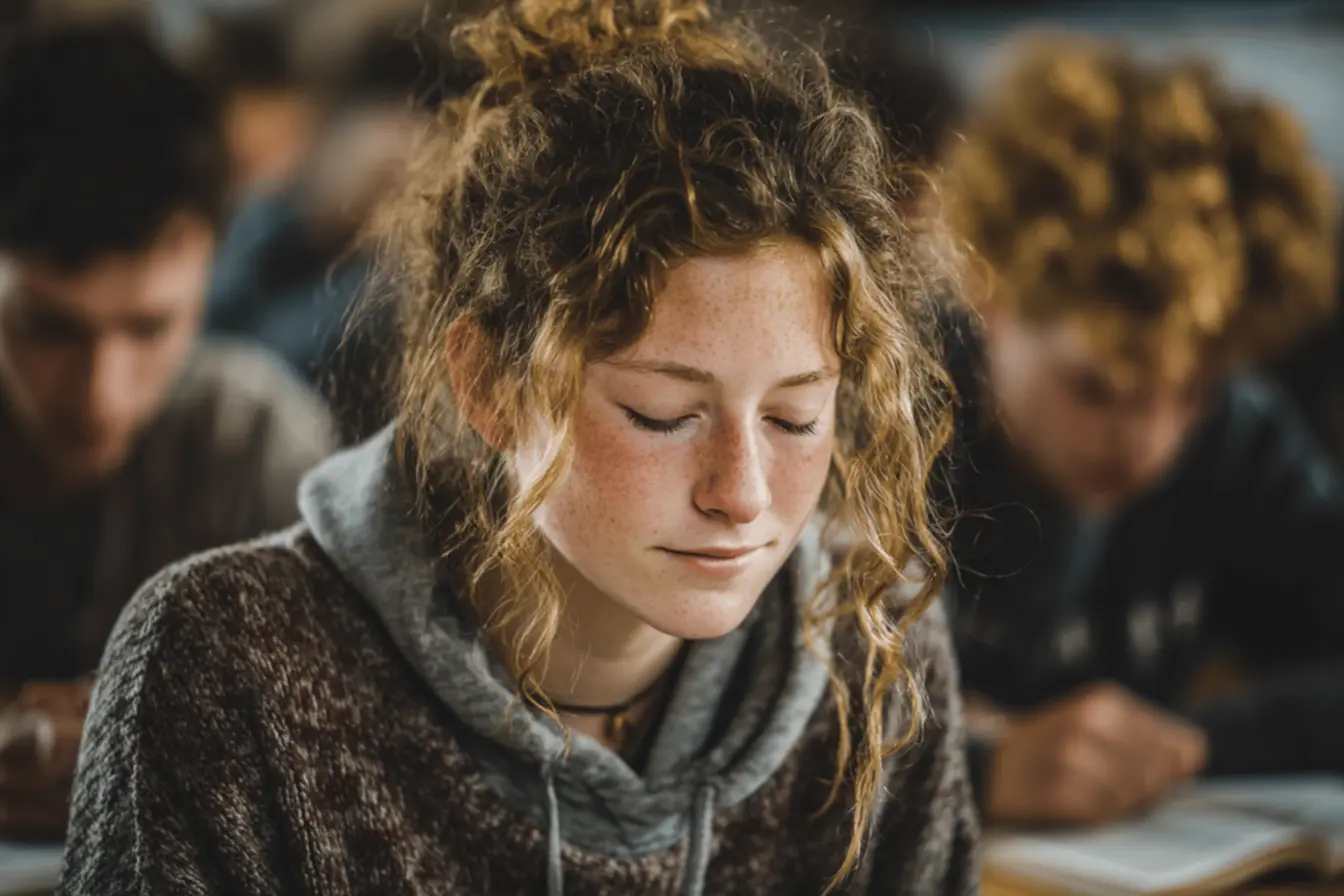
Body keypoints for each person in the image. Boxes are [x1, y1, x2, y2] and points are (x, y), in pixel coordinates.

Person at [61, 1, 978, 893]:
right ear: (492, 386)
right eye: (663, 414)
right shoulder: (229, 666)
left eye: (794, 418)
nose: (742, 494)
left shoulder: (874, 641)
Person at [937, 33, 1343, 828]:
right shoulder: (897, 422)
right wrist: (980, 766)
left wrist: (1176, 744)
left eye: (1187, 392)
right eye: (1097, 389)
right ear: (990, 295)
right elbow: (794, 729)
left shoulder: (1239, 438)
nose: (1145, 443)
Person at [0, 11, 335, 840]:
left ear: (211, 268)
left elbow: (340, 740)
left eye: (150, 329)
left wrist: (150, 751)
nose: (100, 393)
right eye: (48, 328)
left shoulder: (254, 441)